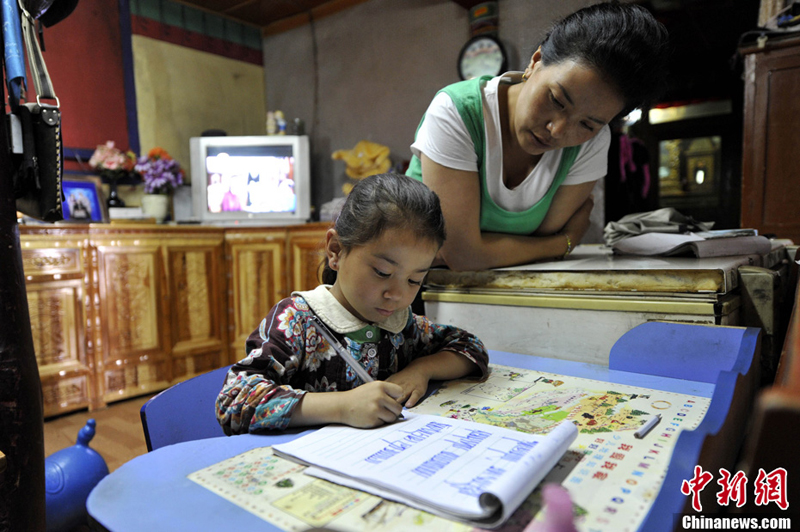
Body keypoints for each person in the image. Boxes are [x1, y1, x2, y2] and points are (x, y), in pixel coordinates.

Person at [216, 173, 489, 433]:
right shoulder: (297, 322)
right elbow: (235, 401)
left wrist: (421, 370)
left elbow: (471, 347)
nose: (397, 295)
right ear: (336, 251)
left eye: (414, 281)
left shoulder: (401, 324)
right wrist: (342, 407)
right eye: (382, 272)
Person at [407, 2, 670, 271]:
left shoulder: (592, 142)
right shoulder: (457, 111)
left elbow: (490, 251)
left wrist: (478, 249)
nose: (557, 130)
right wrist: (565, 242)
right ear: (535, 61)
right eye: (556, 100)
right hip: (408, 291)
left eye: (587, 125)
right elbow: (464, 257)